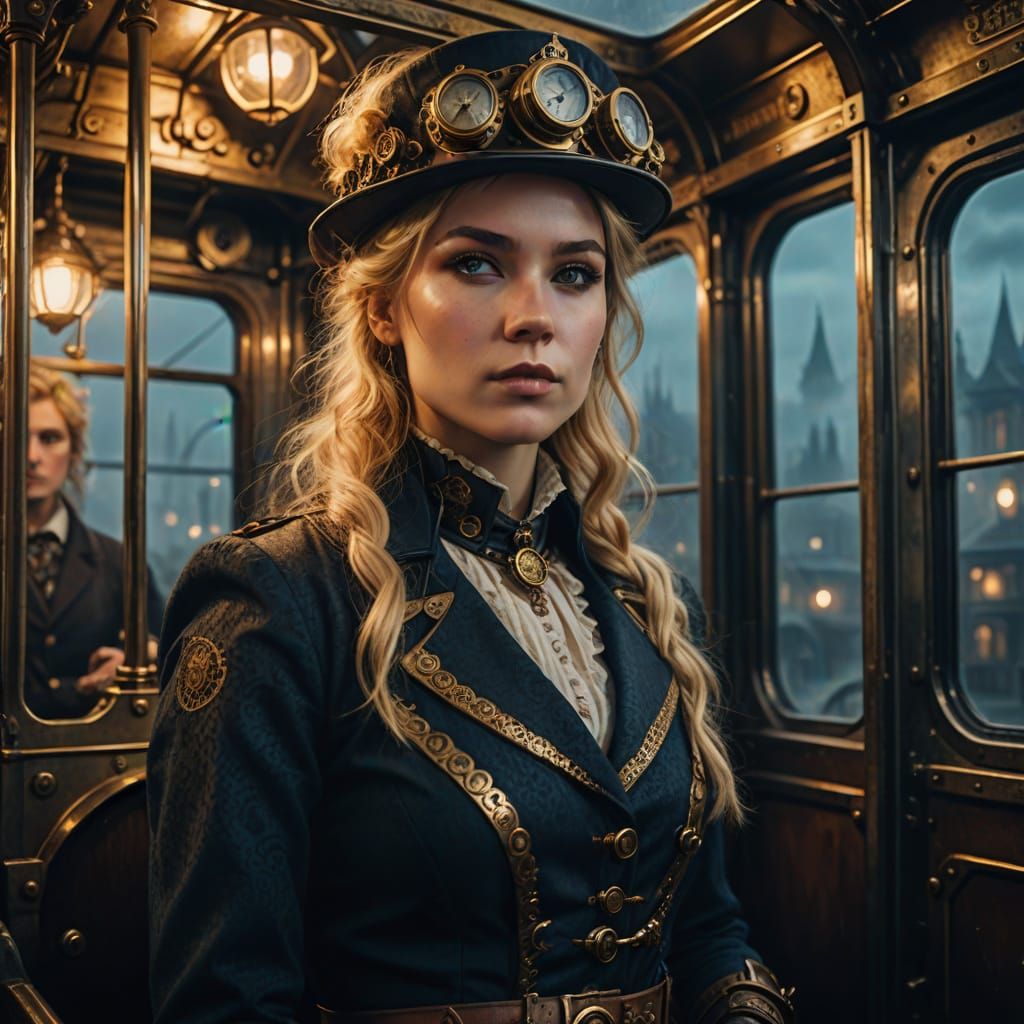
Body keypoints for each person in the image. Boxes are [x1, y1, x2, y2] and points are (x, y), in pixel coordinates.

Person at [147, 30, 795, 1024]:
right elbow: (227, 1001)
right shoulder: (278, 601)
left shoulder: (651, 605)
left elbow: (705, 925)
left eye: (574, 274)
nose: (534, 315)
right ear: (382, 309)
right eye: (478, 264)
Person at [23, 361, 162, 719]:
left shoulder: (119, 563)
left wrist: (136, 662)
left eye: (50, 438)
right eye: (16, 438)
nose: (31, 457)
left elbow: (167, 650)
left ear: (74, 452)